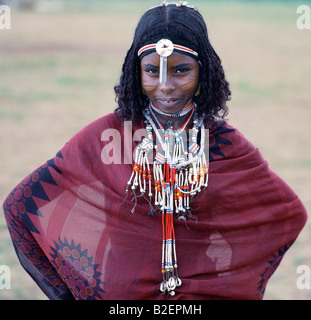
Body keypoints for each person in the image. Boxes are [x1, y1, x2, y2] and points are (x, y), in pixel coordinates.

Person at [2, 1, 307, 300]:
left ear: (204, 71)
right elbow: (21, 206)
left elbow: (287, 215)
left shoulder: (226, 144)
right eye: (151, 71)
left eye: (181, 70)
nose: (165, 85)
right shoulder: (107, 135)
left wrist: (230, 276)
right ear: (137, 72)